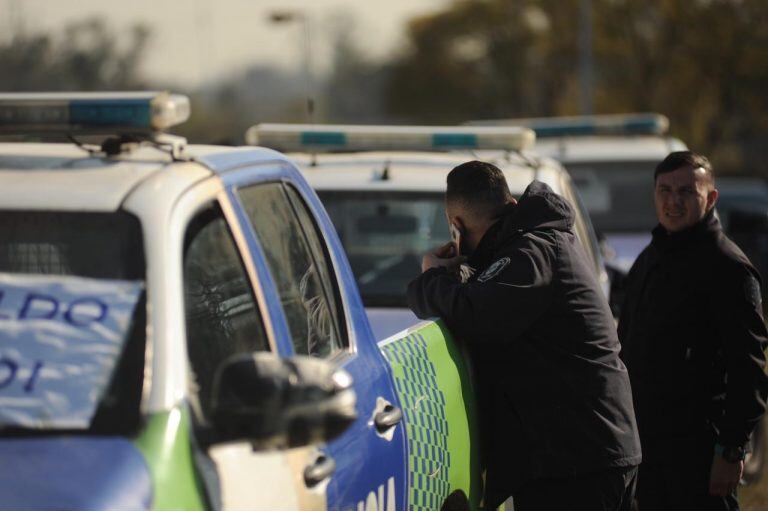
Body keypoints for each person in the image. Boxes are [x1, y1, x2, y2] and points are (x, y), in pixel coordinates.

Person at [407, 160, 641, 511]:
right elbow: (489, 292)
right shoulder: (531, 244)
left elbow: (479, 314)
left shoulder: (532, 251)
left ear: (456, 225)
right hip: (581, 455)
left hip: (577, 463)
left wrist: (432, 277)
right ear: (511, 204)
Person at [618, 151, 768, 510]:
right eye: (665, 190)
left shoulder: (728, 268)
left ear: (711, 198)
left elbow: (749, 371)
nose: (673, 201)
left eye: (686, 192)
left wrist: (730, 452)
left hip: (700, 454)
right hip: (650, 452)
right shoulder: (651, 257)